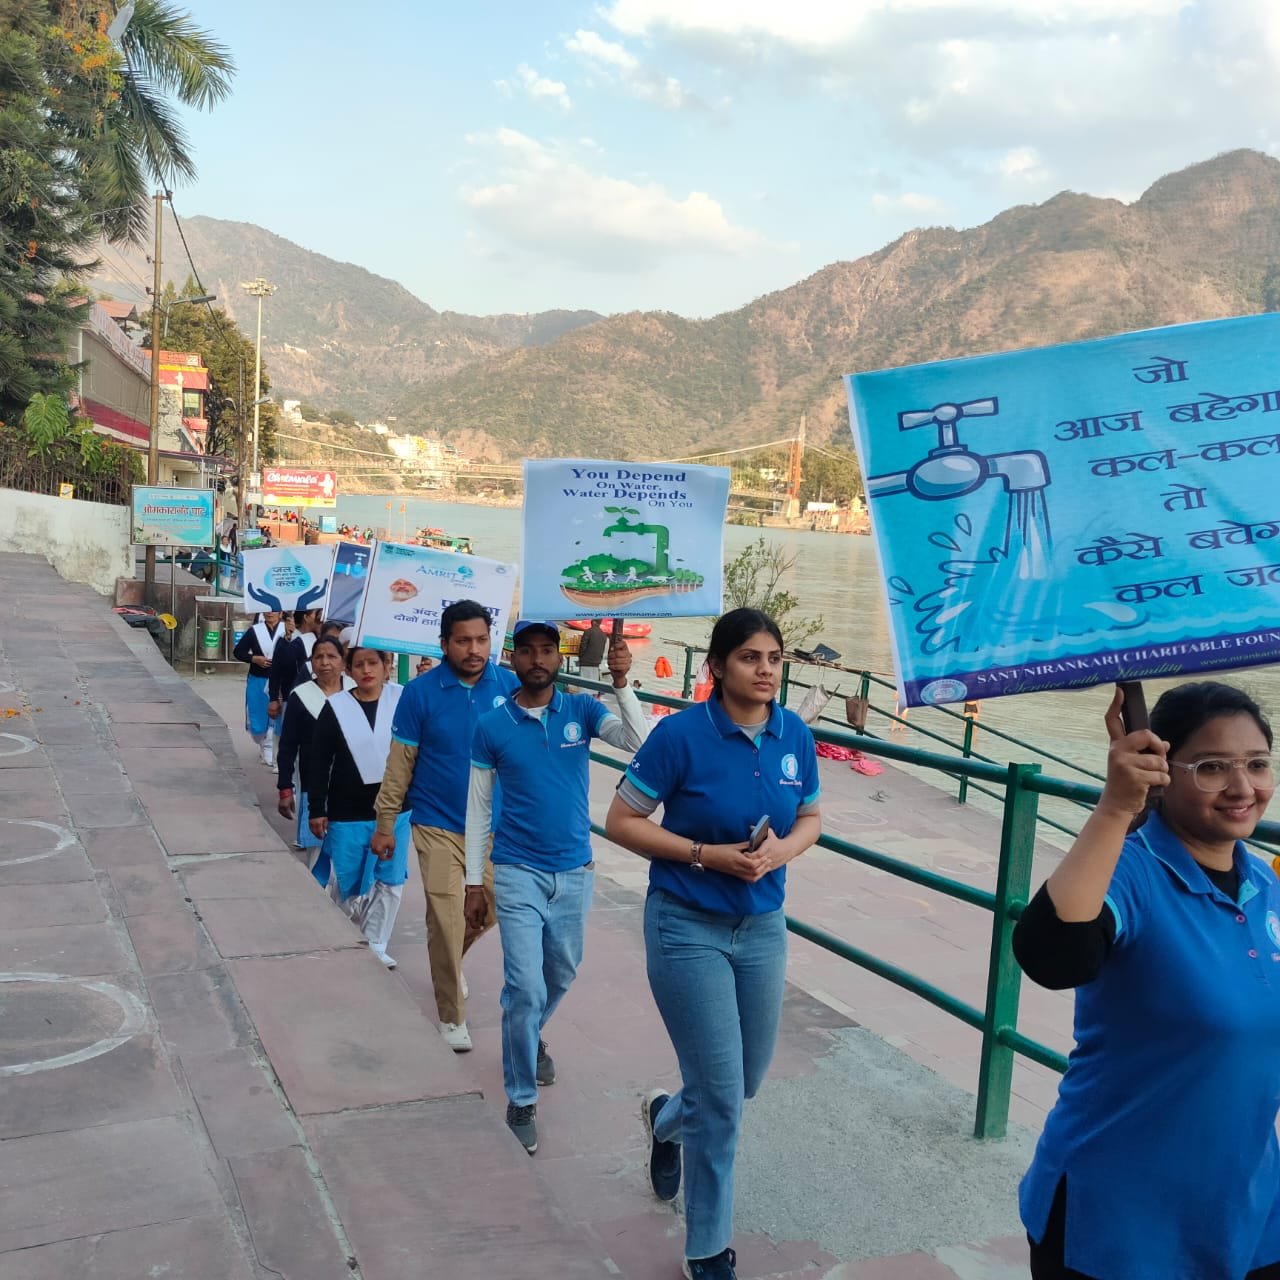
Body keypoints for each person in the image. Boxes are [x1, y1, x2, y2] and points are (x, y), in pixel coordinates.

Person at [1012, 681, 1280, 1280]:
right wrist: (1115, 806)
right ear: (1163, 771)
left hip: (1247, 1208)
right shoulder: (1131, 871)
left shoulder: (1265, 883)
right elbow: (1052, 957)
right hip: (1119, 1217)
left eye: (1258, 764)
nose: (1243, 788)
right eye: (1212, 767)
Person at [604, 608, 822, 1280]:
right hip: (686, 927)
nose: (766, 670)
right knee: (722, 1099)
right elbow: (622, 820)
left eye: (775, 659)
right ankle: (707, 1249)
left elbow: (812, 816)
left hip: (762, 929)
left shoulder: (794, 734)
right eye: (751, 658)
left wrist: (783, 849)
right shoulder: (680, 736)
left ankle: (666, 1120)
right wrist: (705, 855)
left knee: (742, 1082)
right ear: (718, 666)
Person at [464, 620, 647, 1155]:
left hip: (574, 871)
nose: (538, 659)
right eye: (528, 651)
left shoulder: (582, 711)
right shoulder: (492, 726)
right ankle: (521, 1096)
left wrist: (621, 682)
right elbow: (478, 809)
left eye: (548, 650)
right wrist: (474, 882)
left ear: (559, 658)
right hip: (516, 870)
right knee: (523, 988)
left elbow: (637, 742)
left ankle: (527, 1034)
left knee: (560, 974)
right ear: (513, 658)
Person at [373, 600, 519, 1052]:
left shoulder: (510, 686)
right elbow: (400, 763)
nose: (474, 650)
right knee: (444, 917)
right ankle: (452, 1014)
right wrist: (385, 822)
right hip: (437, 823)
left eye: (481, 640)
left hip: (493, 828)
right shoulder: (420, 693)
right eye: (463, 641)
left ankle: (449, 964)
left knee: (492, 908)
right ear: (444, 644)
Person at [307, 645, 410, 969]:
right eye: (359, 664)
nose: (366, 670)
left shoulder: (402, 699)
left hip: (396, 809)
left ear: (386, 664)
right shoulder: (336, 707)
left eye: (373, 663)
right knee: (348, 880)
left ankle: (377, 942)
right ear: (348, 670)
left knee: (390, 879)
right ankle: (343, 935)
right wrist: (317, 807)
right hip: (348, 809)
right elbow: (319, 760)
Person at [276, 635, 354, 865]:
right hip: (314, 785)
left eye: (331, 656)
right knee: (318, 856)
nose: (325, 662)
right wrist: (285, 788)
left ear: (343, 661)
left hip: (353, 789)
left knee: (349, 855)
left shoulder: (355, 692)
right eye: (318, 657)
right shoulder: (301, 696)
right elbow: (288, 746)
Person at [233, 611, 285, 767]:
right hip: (258, 678)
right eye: (267, 610)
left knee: (278, 715)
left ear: (281, 612)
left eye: (274, 610)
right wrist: (254, 658)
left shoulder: (286, 630)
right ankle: (263, 744)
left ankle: (271, 748)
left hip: (281, 679)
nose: (270, 613)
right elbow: (238, 652)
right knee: (259, 713)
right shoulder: (255, 631)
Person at [269, 608, 324, 712]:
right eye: (317, 614)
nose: (320, 618)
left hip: (316, 698)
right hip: (292, 697)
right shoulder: (287, 639)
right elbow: (276, 669)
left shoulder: (320, 638)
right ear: (306, 617)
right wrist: (274, 698)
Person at [577, 618, 608, 686]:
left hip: (586, 661)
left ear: (594, 622)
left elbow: (583, 646)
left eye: (592, 620)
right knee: (593, 684)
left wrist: (580, 657)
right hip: (597, 662)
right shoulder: (603, 634)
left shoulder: (588, 632)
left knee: (584, 685)